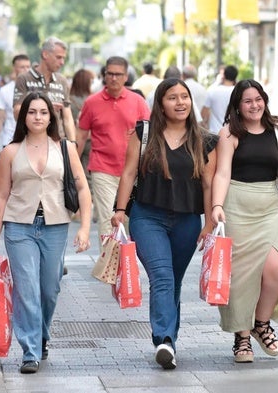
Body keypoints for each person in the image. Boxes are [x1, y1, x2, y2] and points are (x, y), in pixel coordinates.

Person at [111, 78, 217, 369]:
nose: (181, 102)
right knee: (162, 276)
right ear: (160, 104)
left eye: (185, 97)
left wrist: (209, 222)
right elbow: (129, 173)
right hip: (147, 216)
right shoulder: (144, 133)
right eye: (173, 97)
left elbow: (208, 184)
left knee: (174, 281)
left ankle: (170, 338)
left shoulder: (205, 140)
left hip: (187, 221)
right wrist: (120, 210)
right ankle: (164, 339)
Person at [0, 92, 92, 374]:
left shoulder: (65, 148)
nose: (38, 117)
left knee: (49, 289)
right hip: (19, 227)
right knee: (27, 289)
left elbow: (82, 188)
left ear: (50, 117)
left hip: (56, 226)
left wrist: (84, 228)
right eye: (32, 112)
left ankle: (42, 334)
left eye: (43, 112)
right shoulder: (11, 151)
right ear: (24, 117)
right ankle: (30, 350)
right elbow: (1, 195)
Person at [211, 79, 278, 363]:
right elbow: (222, 173)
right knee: (240, 277)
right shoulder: (229, 133)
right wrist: (216, 205)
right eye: (248, 101)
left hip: (268, 207)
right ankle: (241, 338)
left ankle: (261, 324)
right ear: (238, 106)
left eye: (258, 99)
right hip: (236, 205)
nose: (255, 105)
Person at [77, 56, 150, 245]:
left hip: (132, 171)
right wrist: (73, 169)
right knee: (108, 221)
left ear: (126, 76)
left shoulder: (138, 102)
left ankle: (122, 269)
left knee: (125, 220)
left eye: (118, 74)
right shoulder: (92, 103)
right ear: (104, 75)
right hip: (103, 169)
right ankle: (109, 273)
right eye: (110, 74)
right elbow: (81, 136)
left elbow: (150, 136)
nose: (114, 78)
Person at [13, 36, 76, 142]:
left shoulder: (62, 81)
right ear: (45, 54)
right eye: (58, 57)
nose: (62, 62)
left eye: (63, 58)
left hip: (57, 142)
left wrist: (73, 143)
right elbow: (16, 113)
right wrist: (46, 107)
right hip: (30, 142)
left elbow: (67, 118)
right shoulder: (24, 78)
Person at [0, 54, 32, 161]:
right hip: (9, 140)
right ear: (14, 68)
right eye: (22, 67)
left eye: (28, 67)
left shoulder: (36, 89)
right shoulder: (5, 90)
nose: (26, 70)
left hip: (31, 141)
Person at [70, 69, 94, 187]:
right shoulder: (92, 99)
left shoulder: (69, 100)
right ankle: (89, 198)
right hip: (90, 140)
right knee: (88, 174)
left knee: (73, 170)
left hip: (73, 139)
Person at [201, 65, 238, 134]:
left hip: (214, 132)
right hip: (232, 132)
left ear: (224, 75)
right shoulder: (238, 92)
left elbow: (203, 113)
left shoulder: (212, 90)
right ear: (235, 76)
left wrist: (204, 126)